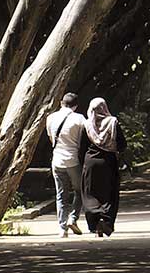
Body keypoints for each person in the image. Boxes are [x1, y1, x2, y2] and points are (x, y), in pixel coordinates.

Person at [80, 97, 127, 238]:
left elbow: (81, 147)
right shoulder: (113, 122)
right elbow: (122, 144)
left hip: (90, 163)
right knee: (109, 192)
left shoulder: (87, 125)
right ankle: (106, 220)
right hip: (108, 162)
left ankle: (94, 224)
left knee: (89, 193)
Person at [46, 92, 86, 237]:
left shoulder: (50, 118)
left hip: (57, 160)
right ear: (75, 106)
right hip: (73, 160)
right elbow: (84, 140)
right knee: (80, 190)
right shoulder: (80, 119)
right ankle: (73, 218)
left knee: (61, 195)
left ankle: (62, 229)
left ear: (61, 103)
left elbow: (51, 139)